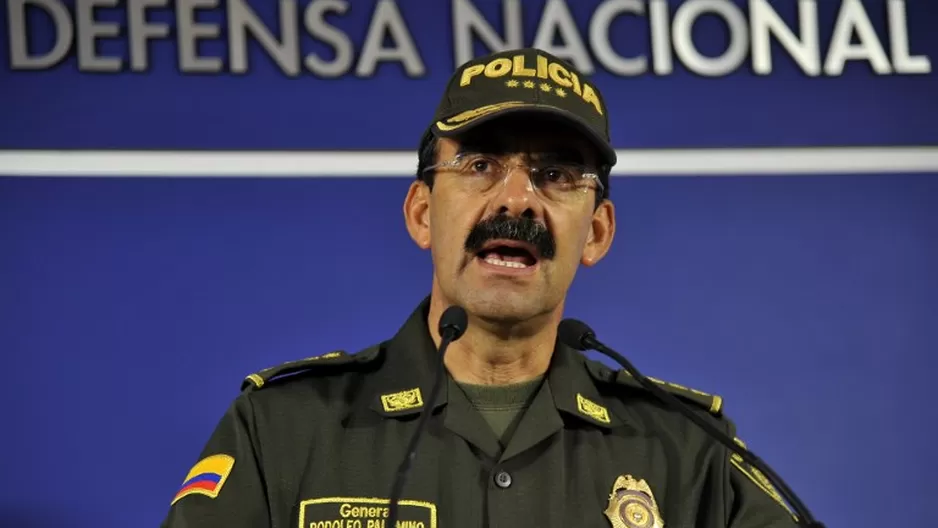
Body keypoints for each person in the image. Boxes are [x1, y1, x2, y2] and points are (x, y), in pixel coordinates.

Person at [162, 48, 799, 528]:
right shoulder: (281, 429)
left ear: (597, 232)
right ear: (421, 214)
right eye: (480, 166)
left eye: (555, 174)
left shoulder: (687, 448)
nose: (517, 198)